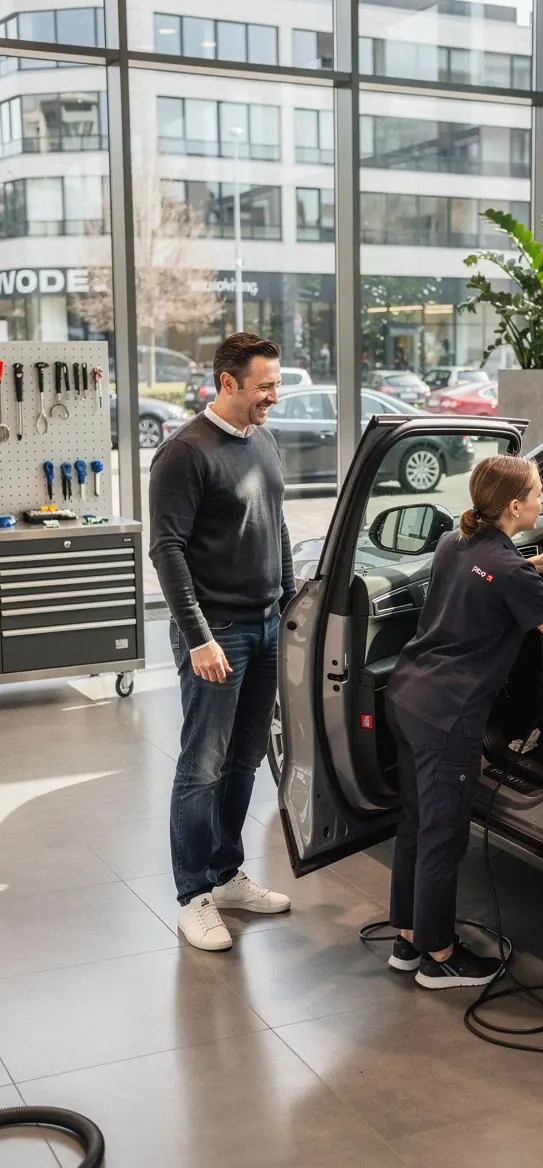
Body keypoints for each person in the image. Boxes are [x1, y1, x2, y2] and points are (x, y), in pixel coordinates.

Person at [384, 454, 543, 989]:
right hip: (449, 717)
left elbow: (484, 575)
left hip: (407, 697)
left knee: (416, 826)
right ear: (515, 505)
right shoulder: (506, 570)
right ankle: (440, 957)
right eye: (537, 492)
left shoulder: (456, 542)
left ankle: (409, 939)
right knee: (444, 837)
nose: (542, 500)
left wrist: (537, 563)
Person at [149, 332, 295, 952]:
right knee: (202, 766)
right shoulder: (184, 452)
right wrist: (199, 637)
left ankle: (225, 872)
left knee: (243, 760)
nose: (274, 397)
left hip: (263, 627)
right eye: (264, 386)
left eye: (276, 384)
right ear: (227, 384)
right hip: (218, 636)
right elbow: (167, 551)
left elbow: (277, 523)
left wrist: (288, 607)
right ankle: (192, 895)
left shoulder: (261, 441)